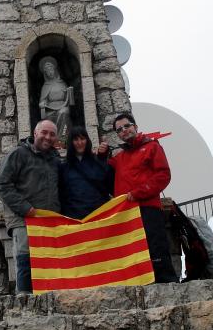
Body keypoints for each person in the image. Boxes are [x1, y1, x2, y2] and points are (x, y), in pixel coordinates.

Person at [98, 112, 179, 283]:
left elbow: (163, 176)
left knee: (156, 251)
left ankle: (168, 287)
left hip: (148, 208)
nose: (124, 131)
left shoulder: (152, 147)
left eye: (127, 126)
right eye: (119, 129)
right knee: (134, 252)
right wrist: (101, 156)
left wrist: (137, 193)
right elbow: (103, 176)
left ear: (135, 126)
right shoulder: (120, 157)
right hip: (127, 213)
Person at [0, 119, 61, 293]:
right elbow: (2, 184)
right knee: (25, 263)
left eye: (52, 134)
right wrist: (26, 209)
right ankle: (24, 306)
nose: (48, 137)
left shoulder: (55, 160)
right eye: (44, 132)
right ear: (35, 133)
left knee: (47, 266)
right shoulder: (18, 154)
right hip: (23, 221)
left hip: (48, 222)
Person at [59, 125, 114, 220]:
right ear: (70, 142)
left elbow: (111, 185)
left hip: (99, 216)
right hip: (75, 219)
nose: (80, 143)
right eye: (76, 139)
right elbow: (62, 194)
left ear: (87, 140)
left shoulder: (98, 161)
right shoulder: (63, 167)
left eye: (82, 138)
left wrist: (103, 158)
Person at [38, 56, 73, 144]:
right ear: (45, 73)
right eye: (48, 71)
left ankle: (62, 139)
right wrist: (42, 104)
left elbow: (68, 99)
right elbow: (42, 101)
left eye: (51, 70)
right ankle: (52, 140)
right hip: (50, 108)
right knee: (48, 118)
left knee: (64, 112)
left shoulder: (62, 83)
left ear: (54, 70)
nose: (50, 72)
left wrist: (69, 93)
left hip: (63, 105)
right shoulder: (45, 86)